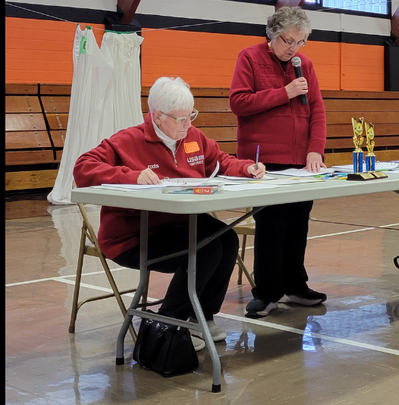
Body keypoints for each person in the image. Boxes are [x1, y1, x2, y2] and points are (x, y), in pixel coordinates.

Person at [74, 76, 265, 349]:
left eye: (191, 116)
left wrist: (246, 168)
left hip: (180, 226)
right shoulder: (127, 141)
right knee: (205, 248)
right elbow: (83, 168)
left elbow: (221, 161)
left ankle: (201, 317)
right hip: (134, 236)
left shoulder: (193, 137)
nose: (188, 124)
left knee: (227, 239)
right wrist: (130, 176)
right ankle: (169, 324)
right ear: (157, 116)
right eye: (180, 119)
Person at [229, 6, 327, 316]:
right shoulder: (249, 57)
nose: (294, 49)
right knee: (271, 226)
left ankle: (295, 285)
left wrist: (315, 149)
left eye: (301, 42)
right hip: (263, 161)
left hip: (300, 162)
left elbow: (318, 111)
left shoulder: (304, 65)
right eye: (288, 41)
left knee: (298, 225)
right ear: (272, 34)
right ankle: (268, 292)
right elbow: (239, 103)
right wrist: (283, 92)